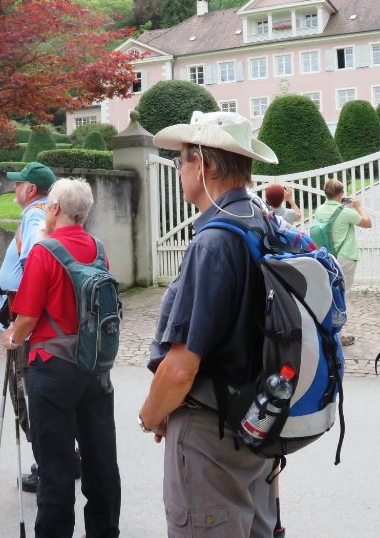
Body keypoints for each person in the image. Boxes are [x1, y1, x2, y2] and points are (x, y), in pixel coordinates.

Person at [138, 110, 281, 537]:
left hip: (210, 430)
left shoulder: (214, 241)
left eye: (183, 159)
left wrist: (149, 416)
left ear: (206, 164)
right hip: (254, 421)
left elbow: (182, 368)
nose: (180, 169)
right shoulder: (261, 222)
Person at [2, 177, 121, 538]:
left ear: (54, 209)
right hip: (95, 368)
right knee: (101, 462)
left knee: (55, 467)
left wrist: (11, 338)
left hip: (52, 371)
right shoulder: (98, 249)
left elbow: (26, 318)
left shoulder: (45, 250)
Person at [0, 160, 57, 492]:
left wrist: (20, 324)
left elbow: (36, 263)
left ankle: (46, 465)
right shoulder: (48, 214)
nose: (14, 187)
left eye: (18, 183)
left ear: (31, 189)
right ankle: (64, 456)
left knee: (26, 397)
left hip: (26, 327)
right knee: (36, 394)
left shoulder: (35, 216)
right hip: (35, 325)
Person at [313, 178, 371, 346]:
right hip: (345, 257)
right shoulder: (345, 212)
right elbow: (368, 223)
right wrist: (358, 206)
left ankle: (327, 330)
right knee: (340, 296)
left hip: (327, 257)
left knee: (329, 293)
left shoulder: (319, 210)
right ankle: (337, 335)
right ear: (341, 194)